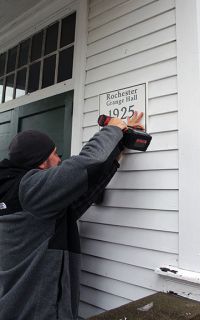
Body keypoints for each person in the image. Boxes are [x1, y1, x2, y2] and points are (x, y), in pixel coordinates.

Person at [0, 112, 143, 320]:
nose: (60, 159)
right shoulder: (29, 189)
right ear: (41, 163)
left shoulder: (18, 193)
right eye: (56, 154)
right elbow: (86, 163)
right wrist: (112, 128)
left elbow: (73, 206)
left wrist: (118, 146)